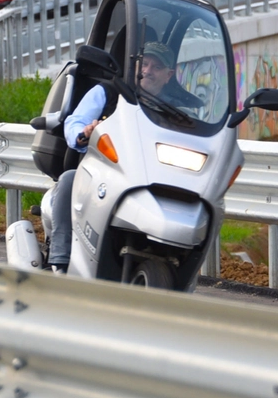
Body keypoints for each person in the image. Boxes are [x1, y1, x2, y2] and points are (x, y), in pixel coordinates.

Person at [43, 41, 197, 273]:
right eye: (144, 64)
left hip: (151, 177)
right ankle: (60, 261)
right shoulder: (107, 92)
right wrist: (83, 133)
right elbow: (75, 121)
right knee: (68, 180)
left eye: (156, 67)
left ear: (169, 75)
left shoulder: (178, 110)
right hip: (104, 172)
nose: (147, 71)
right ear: (135, 66)